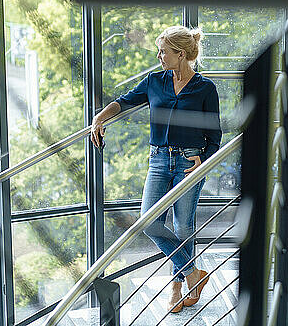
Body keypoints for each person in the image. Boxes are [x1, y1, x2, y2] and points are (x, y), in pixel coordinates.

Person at [91, 26, 221, 313]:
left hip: (189, 163)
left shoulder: (205, 88)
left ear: (181, 54)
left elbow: (215, 135)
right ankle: (192, 274)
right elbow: (124, 102)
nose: (159, 56)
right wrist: (100, 117)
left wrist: (205, 158)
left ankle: (176, 284)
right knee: (148, 222)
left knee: (183, 227)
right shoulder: (154, 81)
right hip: (159, 162)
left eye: (163, 51)